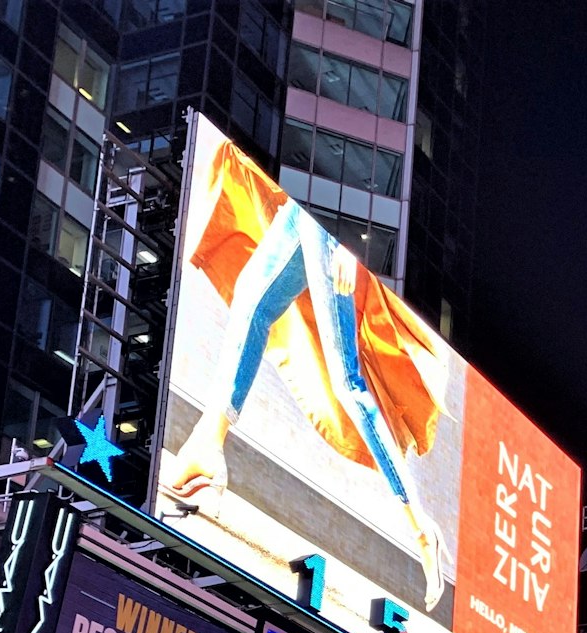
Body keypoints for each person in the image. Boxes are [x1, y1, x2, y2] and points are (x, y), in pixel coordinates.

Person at [168, 135, 448, 608]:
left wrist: (355, 237)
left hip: (334, 214)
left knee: (346, 379)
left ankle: (421, 526)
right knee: (253, 301)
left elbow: (381, 147)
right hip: (315, 198)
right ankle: (208, 445)